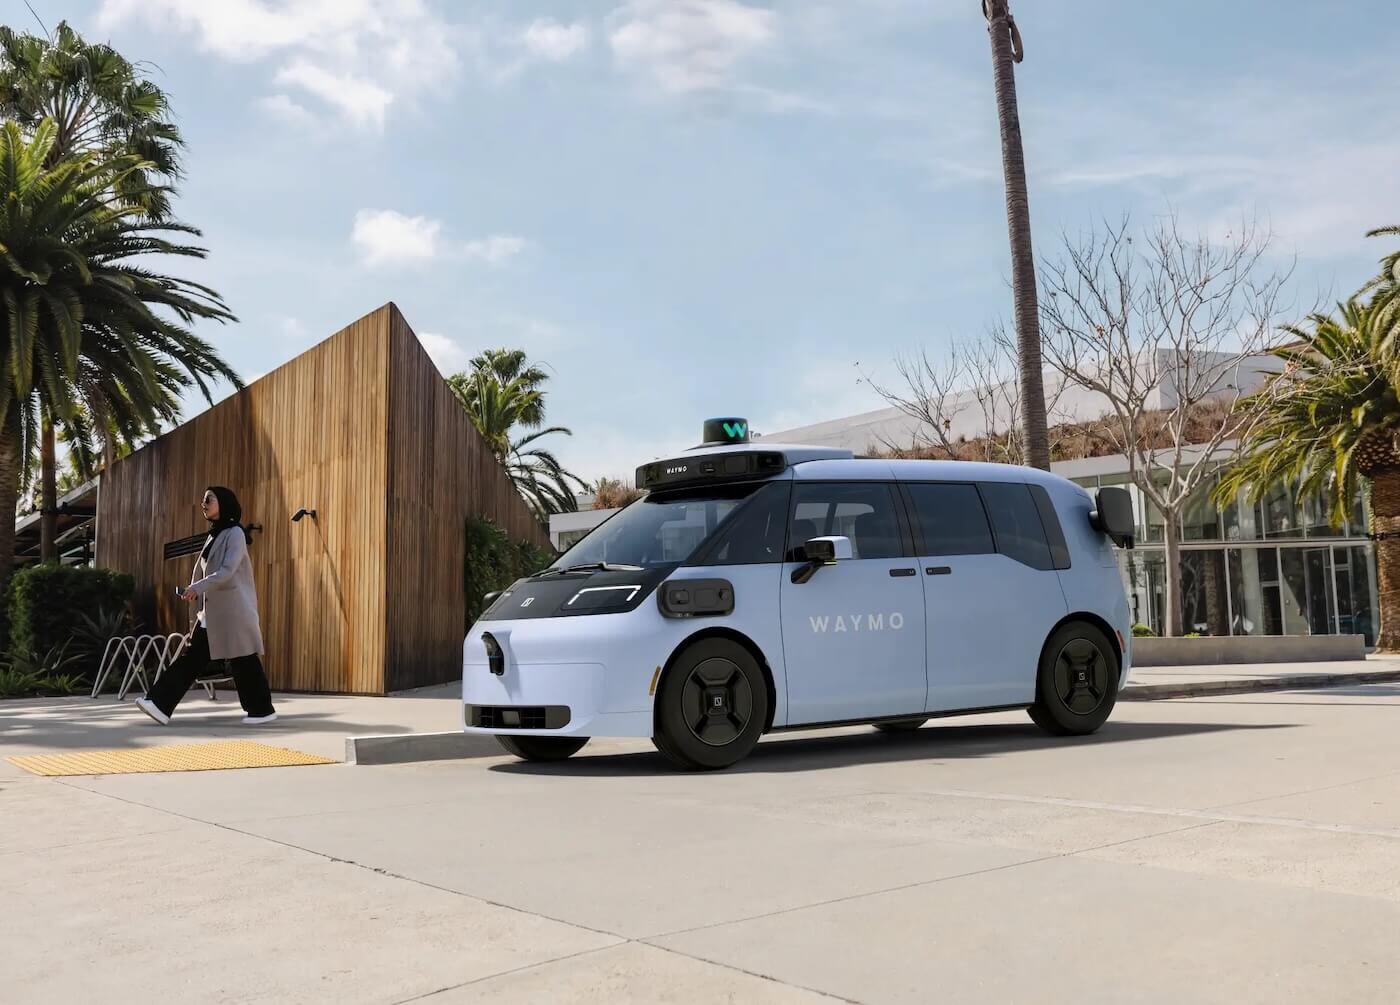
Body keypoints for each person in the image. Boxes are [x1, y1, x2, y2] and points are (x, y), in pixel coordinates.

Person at [135, 486, 278, 726]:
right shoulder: (214, 535)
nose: (204, 504)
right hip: (215, 612)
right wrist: (194, 591)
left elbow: (227, 571)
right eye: (203, 500)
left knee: (238, 659)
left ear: (224, 502)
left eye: (209, 499)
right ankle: (261, 710)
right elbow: (206, 572)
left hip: (232, 611)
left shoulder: (235, 533)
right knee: (220, 658)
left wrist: (197, 588)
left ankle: (159, 703)